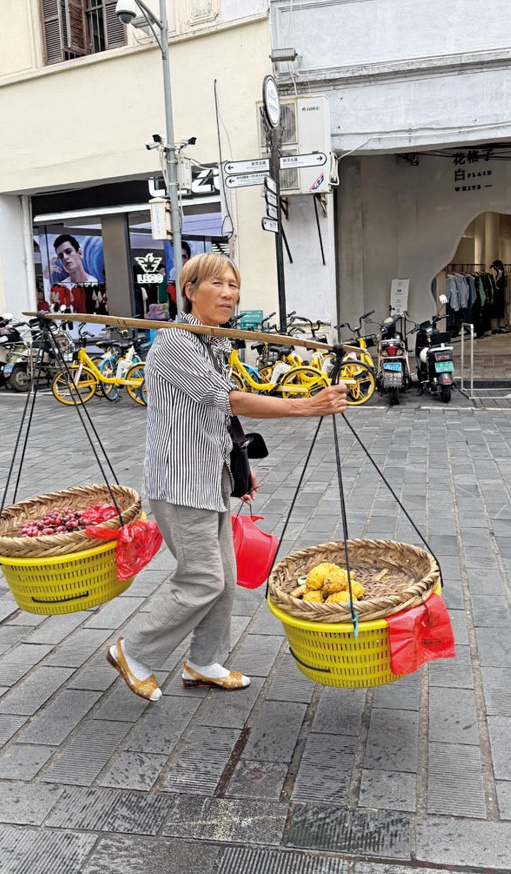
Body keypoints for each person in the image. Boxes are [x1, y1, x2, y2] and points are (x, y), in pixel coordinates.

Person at [107, 252, 347, 701]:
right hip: (180, 483)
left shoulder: (212, 342)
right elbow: (228, 399)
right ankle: (133, 651)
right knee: (201, 579)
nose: (228, 293)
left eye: (233, 285)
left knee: (225, 578)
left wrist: (240, 466)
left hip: (209, 476)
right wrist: (305, 406)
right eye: (216, 284)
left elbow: (217, 418)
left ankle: (203, 662)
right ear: (190, 290)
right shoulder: (175, 342)